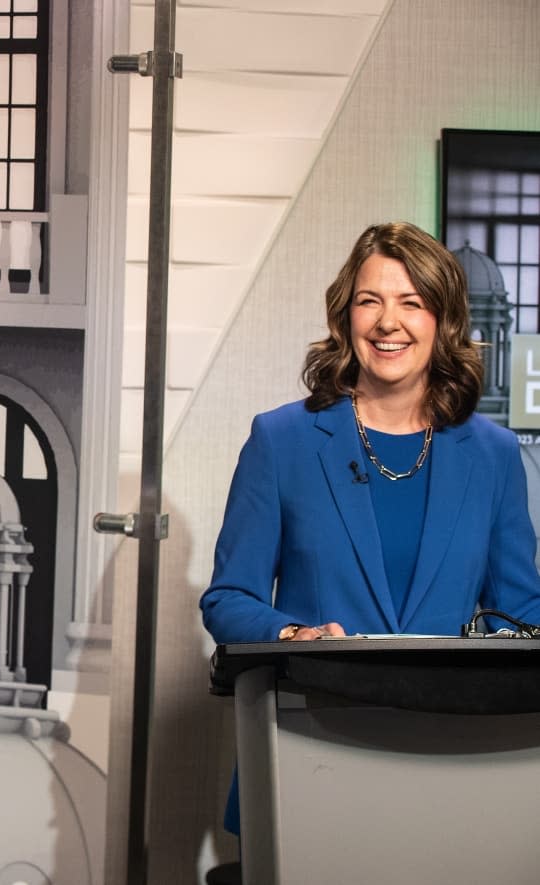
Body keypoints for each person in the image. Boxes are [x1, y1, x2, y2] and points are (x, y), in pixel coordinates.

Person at [200, 221, 540, 835]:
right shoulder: (282, 440)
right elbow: (228, 599)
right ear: (345, 317)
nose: (389, 322)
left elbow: (520, 612)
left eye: (412, 303)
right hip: (308, 754)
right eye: (369, 301)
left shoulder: (492, 455)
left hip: (453, 772)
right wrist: (294, 632)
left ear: (444, 323)